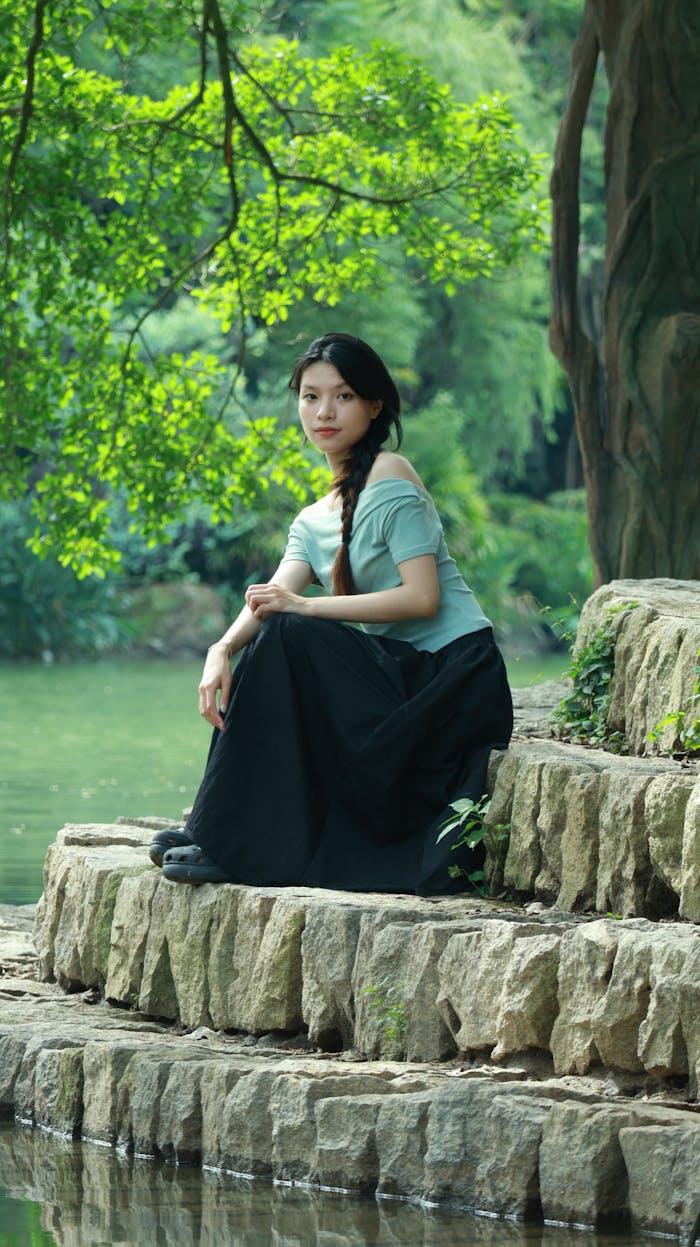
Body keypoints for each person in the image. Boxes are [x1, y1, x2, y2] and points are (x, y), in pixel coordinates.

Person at [151, 332, 513, 894]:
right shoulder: (314, 518)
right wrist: (220, 649)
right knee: (280, 631)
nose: (323, 412)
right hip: (394, 677)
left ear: (374, 406)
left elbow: (423, 598)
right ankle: (223, 824)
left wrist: (304, 605)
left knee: (292, 630)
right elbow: (273, 595)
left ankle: (227, 833)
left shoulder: (392, 474)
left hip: (452, 681)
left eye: (343, 396)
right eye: (310, 396)